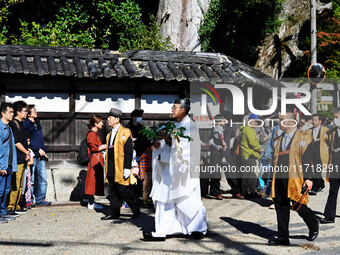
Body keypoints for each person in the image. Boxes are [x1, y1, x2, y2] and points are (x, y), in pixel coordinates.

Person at [143, 98, 207, 241]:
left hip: (184, 170)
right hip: (170, 170)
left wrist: (170, 142)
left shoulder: (191, 126)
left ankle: (198, 228)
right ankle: (163, 231)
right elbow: (172, 148)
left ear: (184, 109)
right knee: (163, 199)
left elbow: (187, 150)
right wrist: (161, 146)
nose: (172, 109)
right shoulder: (175, 126)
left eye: (175, 107)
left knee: (187, 199)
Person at [268, 111, 319, 246]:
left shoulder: (304, 138)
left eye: (282, 120)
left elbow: (308, 159)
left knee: (299, 205)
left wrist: (308, 178)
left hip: (295, 177)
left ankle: (313, 223)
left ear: (291, 122)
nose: (279, 123)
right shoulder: (278, 139)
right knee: (281, 207)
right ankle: (283, 237)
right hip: (279, 177)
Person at [101, 108, 140, 220]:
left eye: (110, 117)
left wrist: (127, 168)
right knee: (112, 189)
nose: (108, 120)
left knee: (123, 189)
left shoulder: (126, 132)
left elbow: (128, 150)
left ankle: (136, 208)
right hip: (111, 164)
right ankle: (114, 213)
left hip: (121, 165)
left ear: (117, 119)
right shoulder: (109, 134)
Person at [23, 105, 51, 206]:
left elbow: (40, 140)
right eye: (34, 111)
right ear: (29, 113)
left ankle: (41, 198)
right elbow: (28, 141)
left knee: (43, 178)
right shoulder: (26, 124)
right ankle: (29, 199)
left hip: (41, 153)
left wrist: (43, 151)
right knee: (32, 179)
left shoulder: (37, 123)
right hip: (32, 153)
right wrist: (37, 149)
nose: (36, 112)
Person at [7, 101, 29, 215]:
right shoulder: (13, 124)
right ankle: (10, 206)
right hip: (17, 157)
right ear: (18, 112)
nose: (26, 113)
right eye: (25, 111)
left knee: (21, 184)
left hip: (22, 157)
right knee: (15, 183)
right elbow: (16, 142)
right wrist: (26, 152)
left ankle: (17, 205)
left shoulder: (21, 124)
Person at [320, 107, 340, 224]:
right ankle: (329, 215)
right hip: (335, 166)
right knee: (332, 191)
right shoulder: (331, 132)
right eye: (334, 117)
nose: (334, 120)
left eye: (336, 117)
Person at [0, 103, 17, 223]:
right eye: (10, 112)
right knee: (0, 191)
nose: (12, 114)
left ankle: (3, 212)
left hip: (9, 163)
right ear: (2, 113)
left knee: (6, 190)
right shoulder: (0, 128)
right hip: (2, 164)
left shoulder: (9, 127)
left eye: (12, 112)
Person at [84, 115, 106, 210]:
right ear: (95, 123)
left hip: (96, 158)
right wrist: (106, 146)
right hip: (94, 159)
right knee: (92, 180)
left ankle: (91, 201)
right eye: (100, 122)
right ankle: (91, 202)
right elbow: (94, 148)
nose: (102, 123)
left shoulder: (94, 133)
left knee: (94, 180)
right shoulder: (92, 134)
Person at [239, 113, 262, 198]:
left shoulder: (245, 128)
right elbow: (253, 142)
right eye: (255, 121)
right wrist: (260, 149)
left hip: (245, 154)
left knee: (246, 173)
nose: (256, 123)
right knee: (253, 174)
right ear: (250, 120)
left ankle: (244, 191)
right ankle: (252, 191)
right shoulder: (249, 129)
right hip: (250, 155)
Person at [305, 114, 329, 194]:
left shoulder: (326, 130)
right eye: (313, 120)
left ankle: (316, 187)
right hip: (312, 152)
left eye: (315, 120)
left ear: (320, 121)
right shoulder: (309, 130)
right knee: (314, 170)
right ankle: (320, 184)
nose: (314, 122)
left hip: (320, 152)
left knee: (317, 169)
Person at [208, 114, 227, 200]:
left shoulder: (217, 128)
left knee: (217, 171)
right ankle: (216, 191)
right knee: (216, 172)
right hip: (216, 152)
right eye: (222, 120)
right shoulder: (217, 128)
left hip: (218, 152)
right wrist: (219, 145)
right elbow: (213, 140)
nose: (224, 122)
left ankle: (215, 190)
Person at [139, 141, 153, 206]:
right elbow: (142, 166)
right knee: (146, 189)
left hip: (151, 172)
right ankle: (145, 201)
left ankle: (149, 200)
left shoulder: (151, 154)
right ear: (148, 148)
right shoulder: (144, 155)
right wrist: (142, 175)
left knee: (150, 187)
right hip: (146, 173)